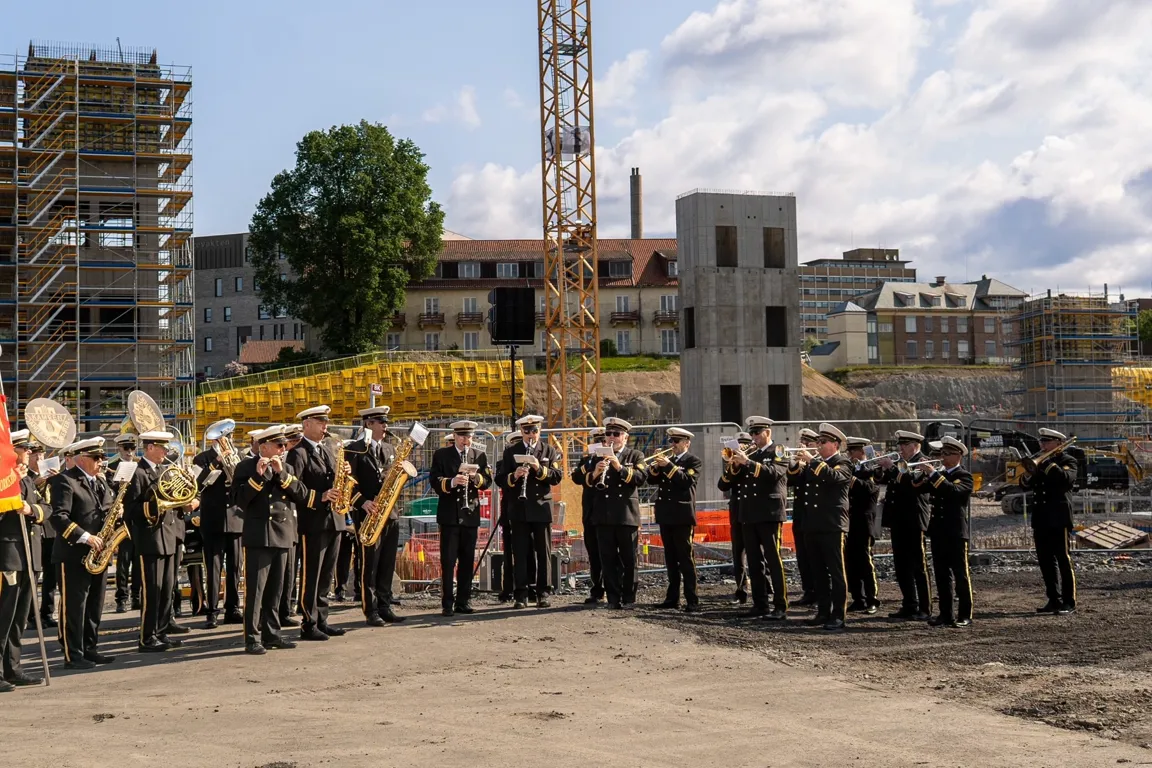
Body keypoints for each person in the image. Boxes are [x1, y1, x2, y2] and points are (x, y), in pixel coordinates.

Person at [231, 425, 307, 654]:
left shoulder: (287, 467)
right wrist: (258, 475)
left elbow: (301, 494)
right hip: (260, 535)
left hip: (283, 534)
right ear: (264, 447)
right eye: (279, 445)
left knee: (276, 589)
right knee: (256, 591)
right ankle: (252, 637)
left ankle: (272, 634)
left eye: (284, 445)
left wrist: (282, 474)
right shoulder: (245, 467)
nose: (283, 449)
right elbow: (239, 500)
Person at [123, 431, 200, 653]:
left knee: (167, 588)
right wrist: (161, 505)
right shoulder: (137, 473)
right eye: (162, 447)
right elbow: (132, 511)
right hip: (152, 538)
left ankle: (162, 631)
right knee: (152, 590)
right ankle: (147, 637)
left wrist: (186, 503)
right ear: (149, 448)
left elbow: (176, 500)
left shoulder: (164, 471)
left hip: (172, 536)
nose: (166, 452)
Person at [49, 437, 116, 669]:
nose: (101, 462)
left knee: (94, 605)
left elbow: (106, 510)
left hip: (99, 553)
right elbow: (58, 517)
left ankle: (90, 648)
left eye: (102, 458)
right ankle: (73, 655)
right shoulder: (64, 481)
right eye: (96, 458)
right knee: (74, 606)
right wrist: (86, 537)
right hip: (73, 554)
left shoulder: (101, 482)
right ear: (82, 458)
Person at [287, 406, 349, 642]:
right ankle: (308, 623)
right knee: (311, 575)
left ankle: (322, 620)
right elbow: (294, 487)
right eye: (321, 422)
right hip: (313, 522)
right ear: (307, 424)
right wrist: (319, 496)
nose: (325, 427)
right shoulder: (298, 453)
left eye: (326, 422)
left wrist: (345, 472)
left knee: (326, 575)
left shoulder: (327, 450)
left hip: (334, 520)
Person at [496, 415, 563, 609]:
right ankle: (521, 594)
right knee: (520, 551)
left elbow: (556, 477)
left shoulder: (549, 450)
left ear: (539, 431)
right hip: (518, 508)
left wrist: (538, 468)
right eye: (526, 431)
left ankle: (543, 592)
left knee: (543, 551)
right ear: (521, 432)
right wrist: (514, 476)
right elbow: (500, 479)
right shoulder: (511, 452)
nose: (530, 434)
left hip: (541, 507)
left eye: (534, 431)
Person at [0, 430, 49, 688]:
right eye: (24, 448)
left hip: (31, 554)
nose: (29, 452)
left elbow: (46, 508)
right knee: (4, 615)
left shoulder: (27, 480)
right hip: (8, 554)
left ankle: (13, 668)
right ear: (12, 451)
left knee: (20, 617)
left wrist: (31, 509)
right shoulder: (4, 479)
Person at [347, 405, 404, 626]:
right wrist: (362, 502)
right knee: (370, 563)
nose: (385, 426)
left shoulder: (389, 449)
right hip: (369, 513)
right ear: (368, 424)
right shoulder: (355, 449)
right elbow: (348, 485)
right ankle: (370, 609)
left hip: (390, 513)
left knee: (388, 562)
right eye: (381, 422)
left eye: (385, 422)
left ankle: (385, 604)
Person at [793, 423, 853, 631]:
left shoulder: (842, 462)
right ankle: (823, 611)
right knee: (817, 571)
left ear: (835, 444)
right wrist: (796, 464)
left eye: (822, 442)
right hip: (812, 524)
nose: (818, 445)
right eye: (817, 442)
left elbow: (834, 478)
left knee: (836, 572)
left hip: (832, 524)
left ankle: (839, 615)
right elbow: (795, 481)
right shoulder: (814, 465)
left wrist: (812, 461)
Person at [429, 421, 492, 617]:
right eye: (462, 436)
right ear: (455, 437)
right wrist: (452, 481)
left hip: (470, 515)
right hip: (449, 516)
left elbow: (487, 481)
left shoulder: (479, 456)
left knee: (466, 561)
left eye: (469, 436)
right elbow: (434, 480)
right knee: (448, 561)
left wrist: (475, 479)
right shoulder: (442, 455)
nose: (466, 440)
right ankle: (447, 603)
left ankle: (463, 601)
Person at [587, 417, 646, 609]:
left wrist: (619, 467)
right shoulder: (597, 456)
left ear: (625, 437)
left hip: (626, 515)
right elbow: (586, 482)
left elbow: (640, 478)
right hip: (603, 515)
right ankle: (612, 597)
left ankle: (629, 597)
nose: (611, 437)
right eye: (608, 434)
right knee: (608, 559)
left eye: (616, 434)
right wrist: (596, 472)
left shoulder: (634, 455)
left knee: (629, 559)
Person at [1020, 428, 1078, 614]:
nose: (1042, 445)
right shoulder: (1040, 462)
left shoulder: (1067, 461)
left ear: (1058, 444)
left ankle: (1069, 601)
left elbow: (1065, 479)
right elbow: (1025, 484)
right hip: (1041, 517)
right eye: (1041, 441)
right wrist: (1029, 473)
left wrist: (1046, 463)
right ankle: (1054, 598)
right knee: (1045, 561)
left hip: (1058, 517)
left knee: (1063, 559)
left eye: (1047, 441)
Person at [878, 430, 934, 620]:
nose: (900, 448)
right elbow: (885, 481)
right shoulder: (902, 463)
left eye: (905, 444)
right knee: (901, 565)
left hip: (914, 519)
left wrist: (893, 469)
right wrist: (882, 467)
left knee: (918, 565)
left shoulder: (922, 463)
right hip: (898, 519)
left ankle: (925, 608)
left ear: (915, 445)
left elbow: (912, 483)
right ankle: (909, 604)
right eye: (900, 445)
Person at [647, 427, 702, 612]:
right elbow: (652, 481)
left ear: (687, 443)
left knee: (686, 558)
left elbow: (686, 481)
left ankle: (692, 599)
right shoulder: (667, 461)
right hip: (666, 515)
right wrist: (655, 467)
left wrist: (668, 466)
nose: (673, 445)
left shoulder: (693, 461)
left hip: (682, 515)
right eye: (671, 441)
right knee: (670, 558)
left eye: (676, 441)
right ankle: (672, 598)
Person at [192, 441, 244, 629]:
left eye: (229, 436)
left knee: (235, 567)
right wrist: (216, 463)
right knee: (213, 569)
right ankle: (212, 611)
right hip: (213, 520)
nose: (226, 440)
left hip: (236, 519)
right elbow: (196, 484)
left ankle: (232, 608)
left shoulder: (239, 454)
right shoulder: (201, 458)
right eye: (222, 436)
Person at [924, 436, 974, 627]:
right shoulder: (940, 475)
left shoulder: (964, 476)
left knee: (961, 574)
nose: (942, 457)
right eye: (941, 453)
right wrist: (922, 474)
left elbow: (953, 492)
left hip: (955, 532)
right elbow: (918, 488)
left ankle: (965, 614)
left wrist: (934, 475)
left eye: (946, 454)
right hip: (938, 531)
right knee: (941, 575)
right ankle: (945, 614)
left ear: (958, 455)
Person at [845, 436, 881, 615]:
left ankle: (872, 598)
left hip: (864, 521)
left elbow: (870, 488)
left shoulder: (870, 468)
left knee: (865, 561)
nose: (850, 455)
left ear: (862, 452)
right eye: (849, 451)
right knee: (850, 561)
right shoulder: (851, 468)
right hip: (850, 520)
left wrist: (851, 479)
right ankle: (858, 598)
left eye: (853, 451)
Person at [107, 434, 142, 613]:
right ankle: (121, 598)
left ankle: (136, 596)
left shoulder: (139, 464)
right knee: (123, 561)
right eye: (126, 448)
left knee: (137, 559)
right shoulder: (111, 468)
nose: (129, 452)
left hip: (137, 518)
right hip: (121, 518)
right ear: (118, 449)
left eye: (132, 448)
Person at [571, 428, 606, 605]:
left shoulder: (613, 459)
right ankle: (597, 589)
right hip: (590, 512)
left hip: (608, 513)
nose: (600, 442)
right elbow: (576, 477)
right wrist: (592, 462)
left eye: (602, 439)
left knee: (609, 553)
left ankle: (614, 588)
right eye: (597, 439)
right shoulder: (587, 460)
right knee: (593, 553)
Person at [787, 427, 821, 607]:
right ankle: (809, 591)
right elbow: (790, 482)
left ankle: (822, 592)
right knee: (803, 556)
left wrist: (810, 460)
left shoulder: (822, 462)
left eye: (808, 443)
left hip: (816, 516)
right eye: (803, 443)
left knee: (817, 557)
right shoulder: (802, 464)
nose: (804, 446)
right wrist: (794, 464)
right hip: (801, 515)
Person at [718, 431, 753, 605]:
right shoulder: (735, 465)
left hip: (753, 511)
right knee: (738, 552)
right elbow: (722, 484)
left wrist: (745, 462)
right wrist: (733, 466)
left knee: (757, 553)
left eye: (743, 445)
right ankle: (741, 591)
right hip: (737, 510)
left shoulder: (754, 462)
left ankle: (765, 587)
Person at [27, 443, 58, 628]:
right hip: (36, 530)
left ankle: (47, 613)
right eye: (35, 456)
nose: (39, 459)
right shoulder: (27, 477)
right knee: (34, 574)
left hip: (51, 529)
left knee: (50, 575)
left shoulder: (51, 476)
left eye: (41, 455)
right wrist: (37, 483)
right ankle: (32, 616)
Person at [279, 424, 303, 627]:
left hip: (292, 521)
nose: (294, 445)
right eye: (291, 442)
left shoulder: (288, 464)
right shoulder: (287, 460)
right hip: (277, 525)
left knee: (289, 569)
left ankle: (287, 607)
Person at [496, 432, 524, 602]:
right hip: (510, 511)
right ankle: (508, 588)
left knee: (527, 553)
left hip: (528, 513)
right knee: (509, 554)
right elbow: (501, 481)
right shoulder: (504, 463)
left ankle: (529, 587)